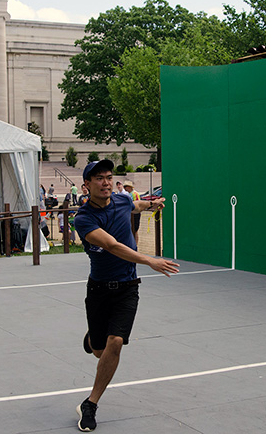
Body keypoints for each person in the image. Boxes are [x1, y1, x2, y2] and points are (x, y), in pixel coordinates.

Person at [73, 160, 179, 431]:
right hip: (98, 289)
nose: (106, 182)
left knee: (116, 342)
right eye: (99, 178)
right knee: (100, 351)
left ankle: (90, 404)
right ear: (87, 185)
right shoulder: (83, 219)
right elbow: (112, 245)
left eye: (109, 177)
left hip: (128, 287)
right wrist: (150, 260)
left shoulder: (121, 200)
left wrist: (152, 204)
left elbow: (137, 205)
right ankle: (91, 339)